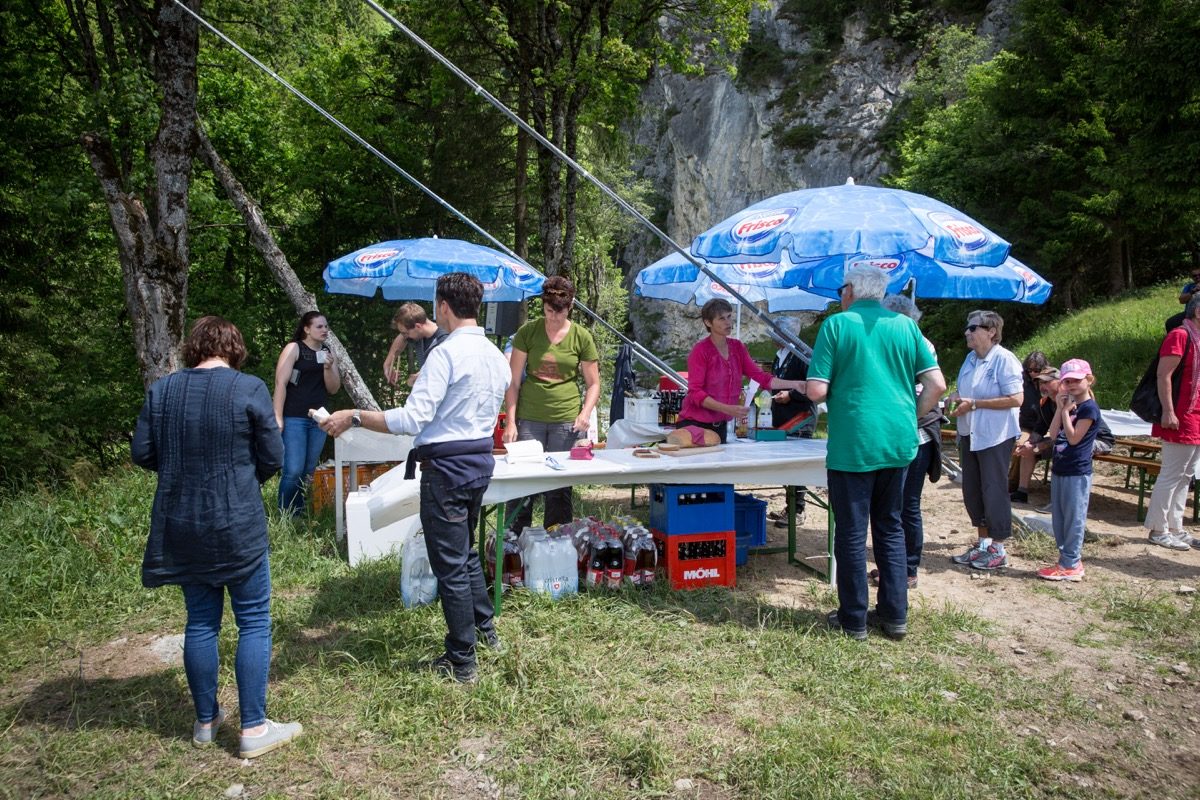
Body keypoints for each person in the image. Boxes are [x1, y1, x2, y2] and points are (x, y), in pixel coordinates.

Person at [321, 273, 510, 683]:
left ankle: (462, 660)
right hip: (479, 464)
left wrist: (355, 416)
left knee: (450, 565)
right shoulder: (496, 355)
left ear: (443, 306)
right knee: (464, 553)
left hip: (447, 470)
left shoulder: (445, 353)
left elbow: (412, 419)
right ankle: (485, 631)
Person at [132, 316, 302, 759]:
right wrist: (243, 478)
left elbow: (143, 452)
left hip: (182, 521)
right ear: (233, 348)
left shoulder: (162, 390)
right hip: (237, 522)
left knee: (201, 622)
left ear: (194, 348)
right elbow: (273, 456)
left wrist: (183, 470)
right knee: (253, 620)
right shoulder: (248, 388)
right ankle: (254, 727)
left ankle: (206, 722)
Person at [806, 267, 945, 641]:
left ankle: (853, 620)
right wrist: (910, 416)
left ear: (850, 290)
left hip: (854, 441)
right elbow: (936, 385)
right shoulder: (906, 327)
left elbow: (817, 390)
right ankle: (894, 616)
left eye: (842, 288)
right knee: (890, 526)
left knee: (852, 532)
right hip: (898, 441)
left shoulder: (837, 325)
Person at [502, 275, 601, 532]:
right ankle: (515, 540)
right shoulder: (527, 332)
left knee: (559, 487)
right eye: (549, 311)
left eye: (560, 312)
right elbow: (513, 382)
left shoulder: (581, 337)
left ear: (570, 306)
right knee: (523, 483)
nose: (554, 317)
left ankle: (558, 541)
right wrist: (510, 422)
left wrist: (585, 413)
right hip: (529, 418)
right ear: (543, 306)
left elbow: (593, 383)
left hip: (566, 420)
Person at [869, 294, 943, 591]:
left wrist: (909, 418)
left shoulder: (917, 343)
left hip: (917, 435)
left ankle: (908, 569)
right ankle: (895, 566)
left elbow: (931, 388)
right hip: (899, 434)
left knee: (907, 505)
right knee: (894, 505)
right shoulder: (906, 339)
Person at [948, 310, 1024, 571]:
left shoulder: (1004, 359)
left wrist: (975, 404)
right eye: (967, 328)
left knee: (994, 490)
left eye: (973, 328)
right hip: (970, 433)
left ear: (991, 332)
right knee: (973, 490)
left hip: (995, 435)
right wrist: (955, 397)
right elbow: (966, 392)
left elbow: (1016, 398)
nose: (967, 332)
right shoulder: (970, 359)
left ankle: (998, 549)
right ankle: (983, 544)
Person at [675, 299, 806, 444]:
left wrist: (795, 384)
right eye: (722, 318)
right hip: (694, 424)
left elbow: (761, 377)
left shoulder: (737, 347)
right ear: (708, 322)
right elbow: (695, 393)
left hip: (720, 427)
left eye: (729, 316)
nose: (728, 322)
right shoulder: (700, 351)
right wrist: (726, 409)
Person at [1144, 294, 1200, 551]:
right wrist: (1168, 411)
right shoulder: (1179, 335)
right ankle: (1158, 529)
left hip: (1196, 415)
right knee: (1172, 473)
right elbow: (1163, 375)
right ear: (1197, 311)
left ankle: (1176, 527)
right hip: (1180, 415)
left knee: (1186, 475)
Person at [1037, 359, 1101, 581]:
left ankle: (1071, 564)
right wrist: (1059, 408)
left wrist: (1065, 411)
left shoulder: (1089, 409)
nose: (1071, 385)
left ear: (1089, 380)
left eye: (1076, 380)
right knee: (1060, 518)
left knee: (1074, 519)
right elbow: (1054, 435)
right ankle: (1066, 560)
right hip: (1060, 468)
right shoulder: (1068, 406)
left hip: (1077, 471)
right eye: (1067, 381)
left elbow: (1074, 439)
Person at [273, 311, 341, 516]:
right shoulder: (294, 348)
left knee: (308, 470)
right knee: (293, 469)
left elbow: (334, 388)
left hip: (319, 418)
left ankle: (300, 512)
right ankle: (285, 515)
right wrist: (277, 417)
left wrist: (329, 367)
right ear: (306, 329)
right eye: (319, 326)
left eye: (326, 326)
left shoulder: (328, 351)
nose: (325, 330)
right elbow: (280, 383)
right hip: (294, 416)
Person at [767, 316, 817, 527]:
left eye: (776, 333)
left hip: (800, 418)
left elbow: (814, 387)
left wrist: (791, 395)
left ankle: (798, 510)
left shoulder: (804, 356)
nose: (772, 337)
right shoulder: (780, 356)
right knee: (787, 467)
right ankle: (791, 506)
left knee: (797, 466)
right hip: (783, 417)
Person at [383, 302, 450, 386]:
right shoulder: (418, 334)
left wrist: (416, 379)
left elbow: (438, 372)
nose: (405, 337)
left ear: (418, 326)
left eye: (406, 333)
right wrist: (388, 364)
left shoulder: (445, 341)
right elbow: (402, 338)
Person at [1012, 351, 1050, 493]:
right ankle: (1013, 484)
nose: (1033, 373)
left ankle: (1014, 484)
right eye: (1030, 370)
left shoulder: (1049, 383)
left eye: (1037, 370)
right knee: (1020, 445)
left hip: (1046, 426)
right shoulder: (1021, 382)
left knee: (1028, 446)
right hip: (1026, 426)